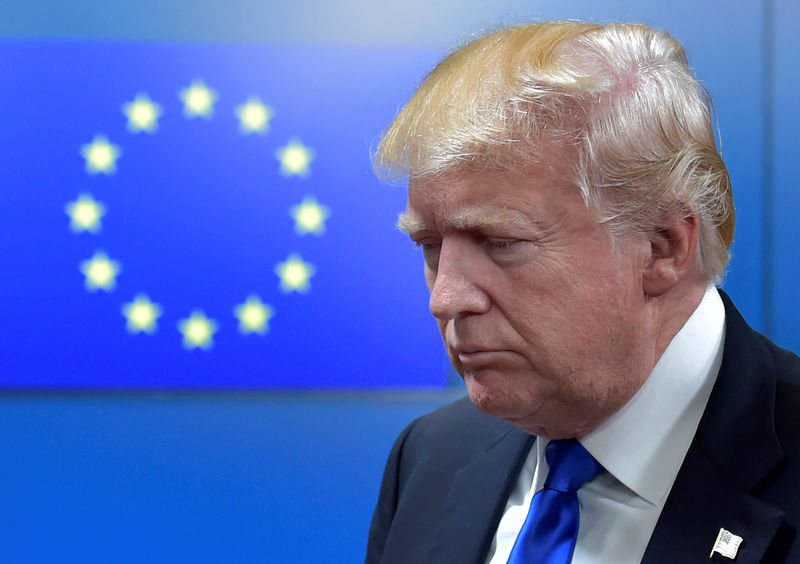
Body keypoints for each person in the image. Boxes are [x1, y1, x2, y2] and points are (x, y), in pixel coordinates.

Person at [364, 21, 800, 564]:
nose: (445, 299)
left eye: (501, 242)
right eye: (429, 247)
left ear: (662, 247)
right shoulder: (429, 458)